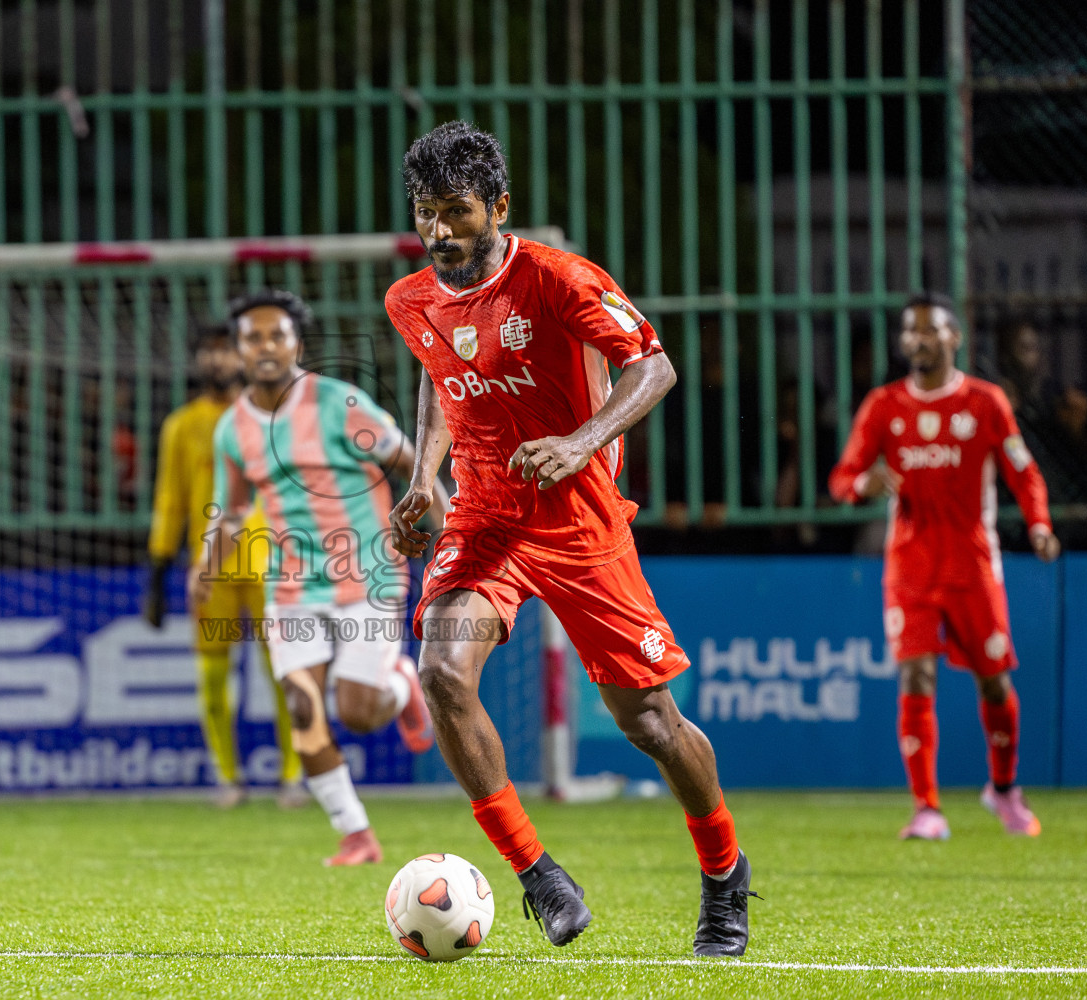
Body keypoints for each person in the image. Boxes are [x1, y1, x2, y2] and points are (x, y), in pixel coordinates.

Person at [385, 121, 754, 957]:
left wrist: (582, 440)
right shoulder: (409, 299)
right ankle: (538, 877)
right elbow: (440, 371)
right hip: (485, 517)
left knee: (651, 722)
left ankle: (724, 875)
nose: (439, 231)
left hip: (579, 518)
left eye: (456, 211)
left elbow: (652, 364)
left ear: (499, 207)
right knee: (441, 670)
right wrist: (422, 478)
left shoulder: (558, 278)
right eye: (425, 212)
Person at [190, 289, 439, 866]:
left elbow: (411, 464)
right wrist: (205, 570)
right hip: (291, 587)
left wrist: (454, 537)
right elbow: (229, 511)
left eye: (277, 335)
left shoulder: (338, 402)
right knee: (303, 709)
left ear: (297, 343)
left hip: (367, 574)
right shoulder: (233, 429)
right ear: (236, 351)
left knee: (356, 709)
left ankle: (402, 684)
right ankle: (356, 834)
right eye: (253, 337)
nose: (266, 346)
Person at [829, 293, 1059, 841]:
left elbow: (1023, 472)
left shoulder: (985, 402)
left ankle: (1002, 790)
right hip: (909, 567)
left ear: (954, 337)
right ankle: (927, 808)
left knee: (995, 684)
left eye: (929, 330)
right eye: (910, 332)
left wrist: (1040, 524)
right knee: (916, 673)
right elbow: (842, 478)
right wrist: (865, 484)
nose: (917, 340)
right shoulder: (884, 406)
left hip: (974, 565)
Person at [147, 327, 305, 809]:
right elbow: (170, 499)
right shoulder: (181, 425)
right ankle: (228, 778)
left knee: (283, 673)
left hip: (269, 564)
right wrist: (157, 571)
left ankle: (292, 776)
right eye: (208, 351)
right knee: (214, 678)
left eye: (224, 351)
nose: (217, 361)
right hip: (208, 570)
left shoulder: (268, 418)